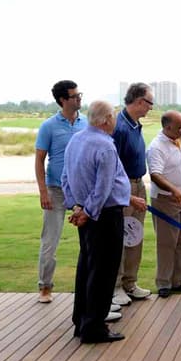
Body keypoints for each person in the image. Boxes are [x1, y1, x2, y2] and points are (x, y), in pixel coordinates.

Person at [62, 101, 138, 343]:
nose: (115, 120)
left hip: (88, 213)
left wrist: (76, 205)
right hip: (104, 215)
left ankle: (82, 320)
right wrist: (88, 211)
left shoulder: (76, 140)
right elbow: (103, 186)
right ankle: (94, 327)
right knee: (103, 271)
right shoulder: (105, 146)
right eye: (113, 116)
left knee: (87, 267)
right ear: (106, 119)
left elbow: (65, 176)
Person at [34, 80, 87, 303]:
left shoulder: (86, 122)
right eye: (75, 96)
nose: (79, 98)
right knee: (50, 241)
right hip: (55, 190)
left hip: (81, 191)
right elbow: (39, 160)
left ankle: (90, 290)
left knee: (89, 243)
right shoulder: (49, 126)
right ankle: (45, 287)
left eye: (79, 94)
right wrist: (43, 192)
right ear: (63, 100)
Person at [147, 111, 181, 298]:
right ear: (167, 127)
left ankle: (178, 281)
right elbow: (155, 175)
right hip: (166, 200)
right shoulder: (157, 147)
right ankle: (164, 283)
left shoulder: (179, 139)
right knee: (166, 243)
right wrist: (174, 190)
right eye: (180, 127)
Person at [111, 82, 152, 305]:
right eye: (149, 103)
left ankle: (130, 282)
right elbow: (112, 165)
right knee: (121, 236)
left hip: (138, 183)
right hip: (123, 186)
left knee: (135, 235)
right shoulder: (119, 126)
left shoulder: (136, 125)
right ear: (138, 101)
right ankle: (116, 286)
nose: (151, 108)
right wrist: (125, 193)